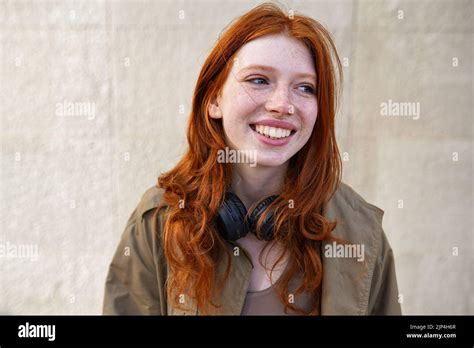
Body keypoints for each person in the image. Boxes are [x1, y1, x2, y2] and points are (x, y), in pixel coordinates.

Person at [102, 2, 402, 316]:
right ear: (213, 100)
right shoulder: (160, 221)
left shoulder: (360, 232)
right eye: (259, 80)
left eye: (304, 87)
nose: (282, 105)